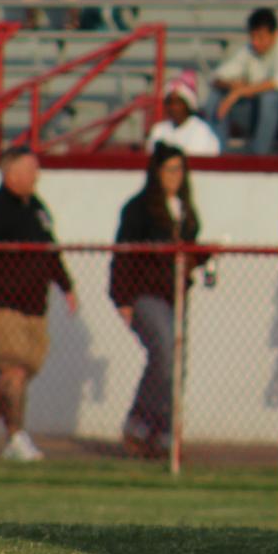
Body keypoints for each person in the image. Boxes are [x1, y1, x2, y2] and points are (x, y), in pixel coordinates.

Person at [0, 147, 75, 464]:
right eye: (30, 170)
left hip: (34, 305)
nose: (36, 176)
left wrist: (66, 285)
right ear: (11, 173)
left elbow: (50, 249)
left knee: (20, 373)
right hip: (3, 304)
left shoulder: (36, 207)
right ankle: (15, 437)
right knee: (11, 369)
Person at [110, 144, 211, 459]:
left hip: (175, 294)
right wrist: (123, 297)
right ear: (156, 173)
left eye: (179, 169)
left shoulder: (184, 210)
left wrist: (202, 257)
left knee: (176, 361)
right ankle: (139, 421)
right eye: (169, 169)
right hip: (145, 292)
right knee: (165, 349)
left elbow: (189, 249)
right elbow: (123, 254)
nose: (175, 176)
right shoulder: (139, 209)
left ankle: (163, 430)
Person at [208, 9, 278, 156]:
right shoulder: (250, 50)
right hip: (257, 112)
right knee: (216, 97)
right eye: (253, 37)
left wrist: (238, 92)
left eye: (261, 37)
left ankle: (260, 155)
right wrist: (232, 86)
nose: (256, 43)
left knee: (269, 98)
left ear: (275, 34)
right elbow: (216, 77)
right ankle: (217, 151)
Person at [145, 72, 221, 157]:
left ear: (188, 105)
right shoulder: (158, 129)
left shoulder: (201, 130)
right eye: (169, 102)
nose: (173, 107)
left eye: (178, 102)